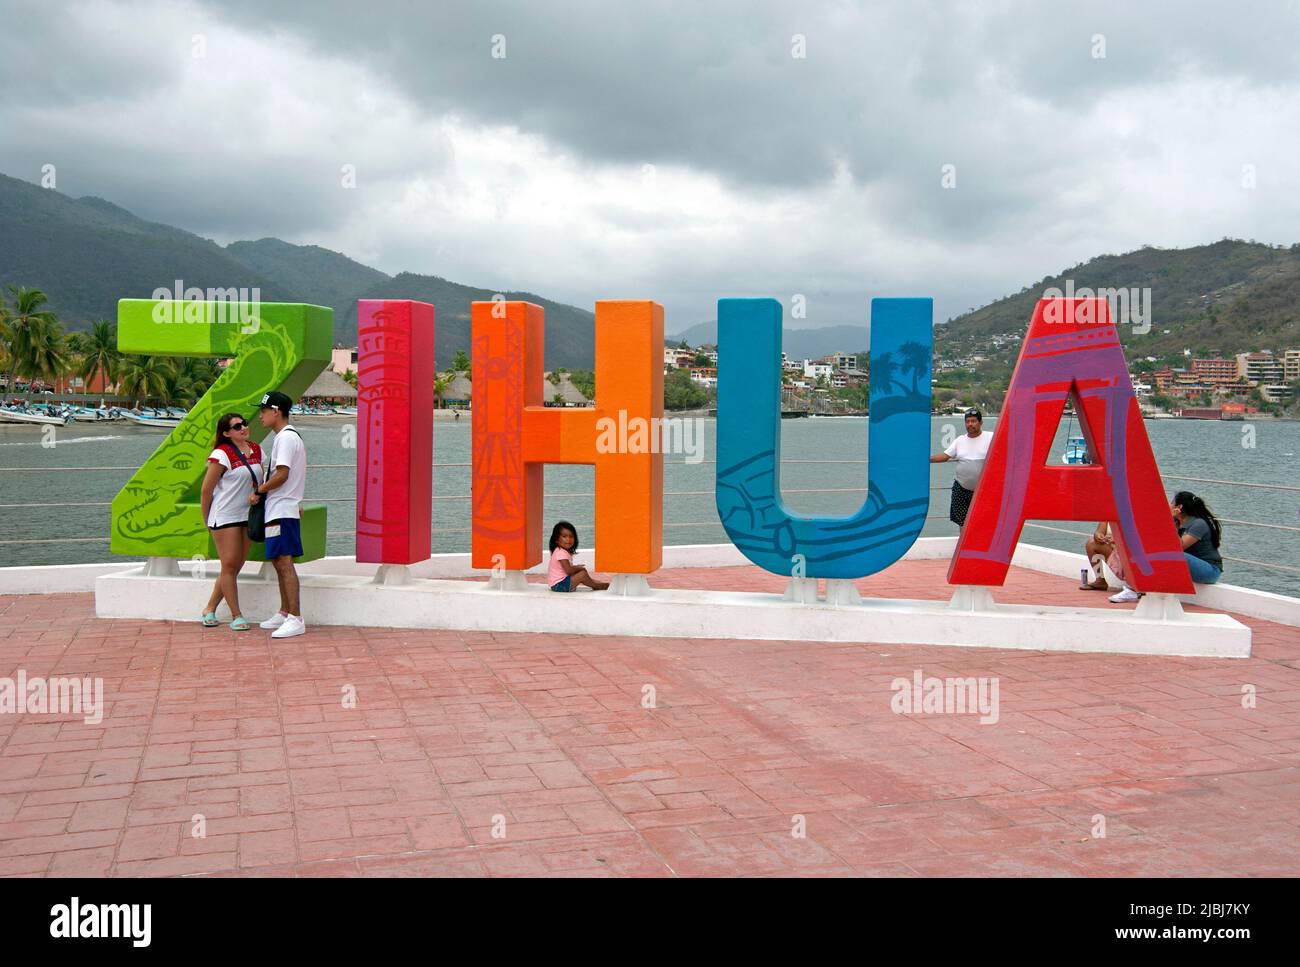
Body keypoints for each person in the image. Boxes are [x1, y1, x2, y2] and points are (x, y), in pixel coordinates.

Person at [198, 412, 263, 630]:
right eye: (237, 427)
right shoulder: (221, 454)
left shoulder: (257, 449)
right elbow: (206, 491)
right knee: (229, 565)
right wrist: (206, 520)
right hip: (225, 515)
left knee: (233, 567)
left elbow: (266, 480)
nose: (243, 428)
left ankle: (209, 608)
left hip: (248, 515)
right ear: (226, 433)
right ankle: (236, 615)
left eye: (244, 424)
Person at [254, 391, 308, 637]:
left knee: (284, 562)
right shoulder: (287, 437)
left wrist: (259, 490)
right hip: (281, 508)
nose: (260, 415)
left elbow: (282, 474)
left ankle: (296, 618)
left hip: (282, 509)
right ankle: (285, 612)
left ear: (276, 411)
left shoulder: (285, 439)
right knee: (278, 560)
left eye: (263, 410)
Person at [1108, 491, 1223, 603]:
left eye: (1172, 503)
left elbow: (1179, 547)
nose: (1169, 505)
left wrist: (1169, 521)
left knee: (1173, 555)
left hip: (1209, 570)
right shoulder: (1177, 521)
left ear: (1179, 507)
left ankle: (1135, 591)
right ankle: (1137, 587)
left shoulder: (1199, 524)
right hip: (1189, 564)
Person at [930, 408, 993, 530]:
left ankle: (980, 547)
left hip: (984, 490)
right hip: (961, 489)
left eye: (974, 421)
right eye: (968, 421)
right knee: (963, 523)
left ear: (980, 423)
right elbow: (945, 456)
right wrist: (925, 459)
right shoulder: (960, 440)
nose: (970, 424)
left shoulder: (991, 437)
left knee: (983, 522)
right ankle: (963, 546)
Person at [547, 521, 609, 591]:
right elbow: (569, 571)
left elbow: (568, 570)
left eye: (571, 536)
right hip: (559, 585)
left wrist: (577, 568)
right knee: (582, 574)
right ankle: (596, 585)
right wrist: (579, 568)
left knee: (581, 572)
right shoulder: (561, 552)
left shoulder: (560, 551)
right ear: (556, 540)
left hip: (560, 583)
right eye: (564, 536)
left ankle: (593, 582)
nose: (568, 539)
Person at [1081, 521, 1113, 590]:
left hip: (1128, 557)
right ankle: (1100, 580)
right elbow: (1098, 532)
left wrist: (1117, 539)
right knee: (1091, 543)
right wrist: (1099, 536)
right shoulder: (1108, 515)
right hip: (1114, 556)